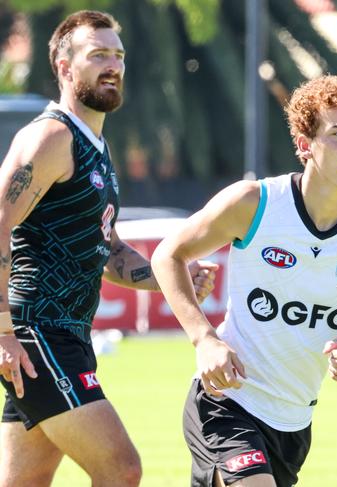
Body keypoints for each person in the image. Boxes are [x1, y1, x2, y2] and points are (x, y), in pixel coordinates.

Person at [151, 74, 337, 487]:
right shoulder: (255, 203)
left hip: (294, 424)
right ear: (306, 145)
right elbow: (168, 255)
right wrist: (205, 339)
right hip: (225, 403)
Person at [0, 11, 216, 486]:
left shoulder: (95, 146)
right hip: (37, 334)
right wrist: (2, 331)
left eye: (117, 55)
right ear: (64, 66)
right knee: (121, 468)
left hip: (66, 336)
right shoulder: (50, 137)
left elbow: (110, 250)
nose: (113, 65)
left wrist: (171, 278)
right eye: (98, 55)